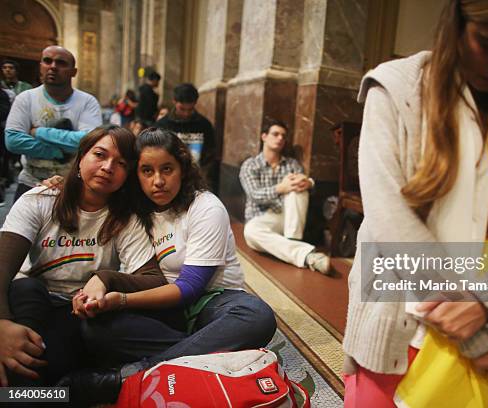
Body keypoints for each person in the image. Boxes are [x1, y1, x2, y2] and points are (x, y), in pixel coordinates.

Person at [342, 0, 488, 406]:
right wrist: (476, 334)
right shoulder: (398, 87)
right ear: (456, 25)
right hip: (401, 319)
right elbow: (391, 221)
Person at [59, 128, 277, 406]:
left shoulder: (206, 207)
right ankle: (205, 350)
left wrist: (122, 300)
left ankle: (128, 377)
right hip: (166, 311)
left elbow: (190, 288)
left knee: (255, 315)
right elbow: (89, 193)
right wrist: (62, 184)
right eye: (146, 171)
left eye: (167, 169)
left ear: (183, 169)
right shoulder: (137, 209)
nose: (158, 181)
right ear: (135, 175)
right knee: (96, 328)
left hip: (211, 305)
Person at [0, 125, 164, 388]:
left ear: (127, 175)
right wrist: (2, 326)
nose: (108, 167)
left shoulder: (125, 218)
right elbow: (2, 269)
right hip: (30, 302)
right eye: (99, 155)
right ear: (81, 159)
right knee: (26, 290)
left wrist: (105, 278)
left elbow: (154, 279)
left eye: (121, 163)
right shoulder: (40, 200)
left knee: (44, 367)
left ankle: (45, 393)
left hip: (77, 312)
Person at [4, 46, 102, 202]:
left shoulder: (87, 102)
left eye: (61, 63)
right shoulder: (25, 99)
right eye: (47, 61)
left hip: (72, 185)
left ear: (73, 72)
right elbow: (13, 140)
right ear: (41, 66)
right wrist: (57, 152)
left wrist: (39, 132)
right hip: (31, 182)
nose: (53, 67)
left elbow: (89, 141)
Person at [239, 119, 331, 275]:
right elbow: (255, 195)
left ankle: (292, 241)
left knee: (298, 187)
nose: (280, 138)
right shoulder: (250, 165)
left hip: (289, 217)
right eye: (275, 134)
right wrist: (281, 188)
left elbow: (304, 186)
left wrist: (308, 182)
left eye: (283, 135)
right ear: (264, 137)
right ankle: (308, 255)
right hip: (262, 218)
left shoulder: (292, 164)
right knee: (251, 232)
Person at [154, 83, 218, 192]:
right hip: (167, 180)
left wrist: (204, 180)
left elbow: (210, 155)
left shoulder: (204, 125)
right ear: (174, 101)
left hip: (196, 181)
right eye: (182, 109)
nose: (186, 113)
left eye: (190, 109)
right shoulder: (162, 125)